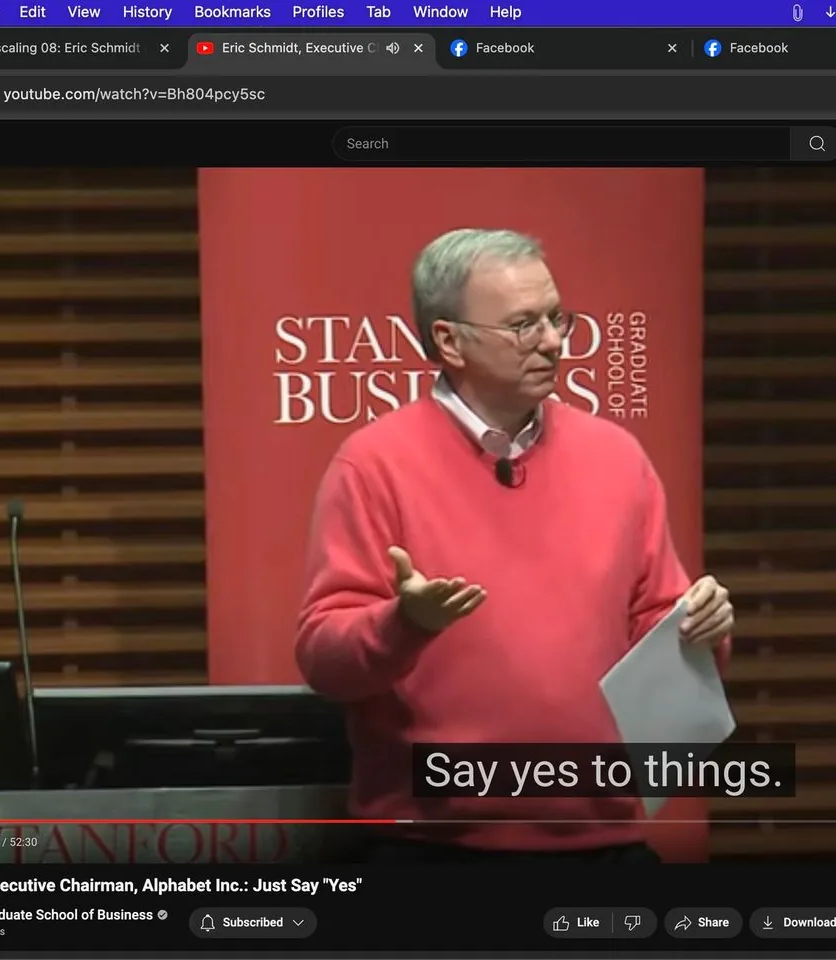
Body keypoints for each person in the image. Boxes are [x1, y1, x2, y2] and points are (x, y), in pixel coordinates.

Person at [295, 228, 735, 863]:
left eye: (557, 319)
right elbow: (322, 659)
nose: (554, 342)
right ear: (449, 341)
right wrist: (403, 624)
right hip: (433, 850)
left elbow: (659, 630)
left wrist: (701, 632)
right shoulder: (373, 465)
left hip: (605, 844)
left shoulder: (617, 457)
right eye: (524, 325)